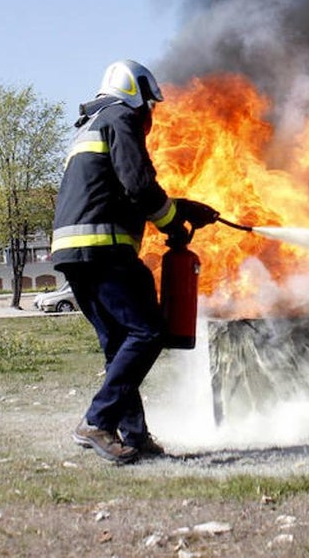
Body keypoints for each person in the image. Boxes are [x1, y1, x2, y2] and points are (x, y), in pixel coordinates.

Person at [51, 59, 217, 464]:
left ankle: (133, 435)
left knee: (118, 343)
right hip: (103, 248)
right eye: (150, 106)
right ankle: (96, 421)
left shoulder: (92, 126)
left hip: (74, 253)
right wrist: (172, 221)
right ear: (137, 95)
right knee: (147, 332)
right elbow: (138, 184)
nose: (150, 116)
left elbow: (118, 190)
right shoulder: (120, 117)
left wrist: (182, 210)